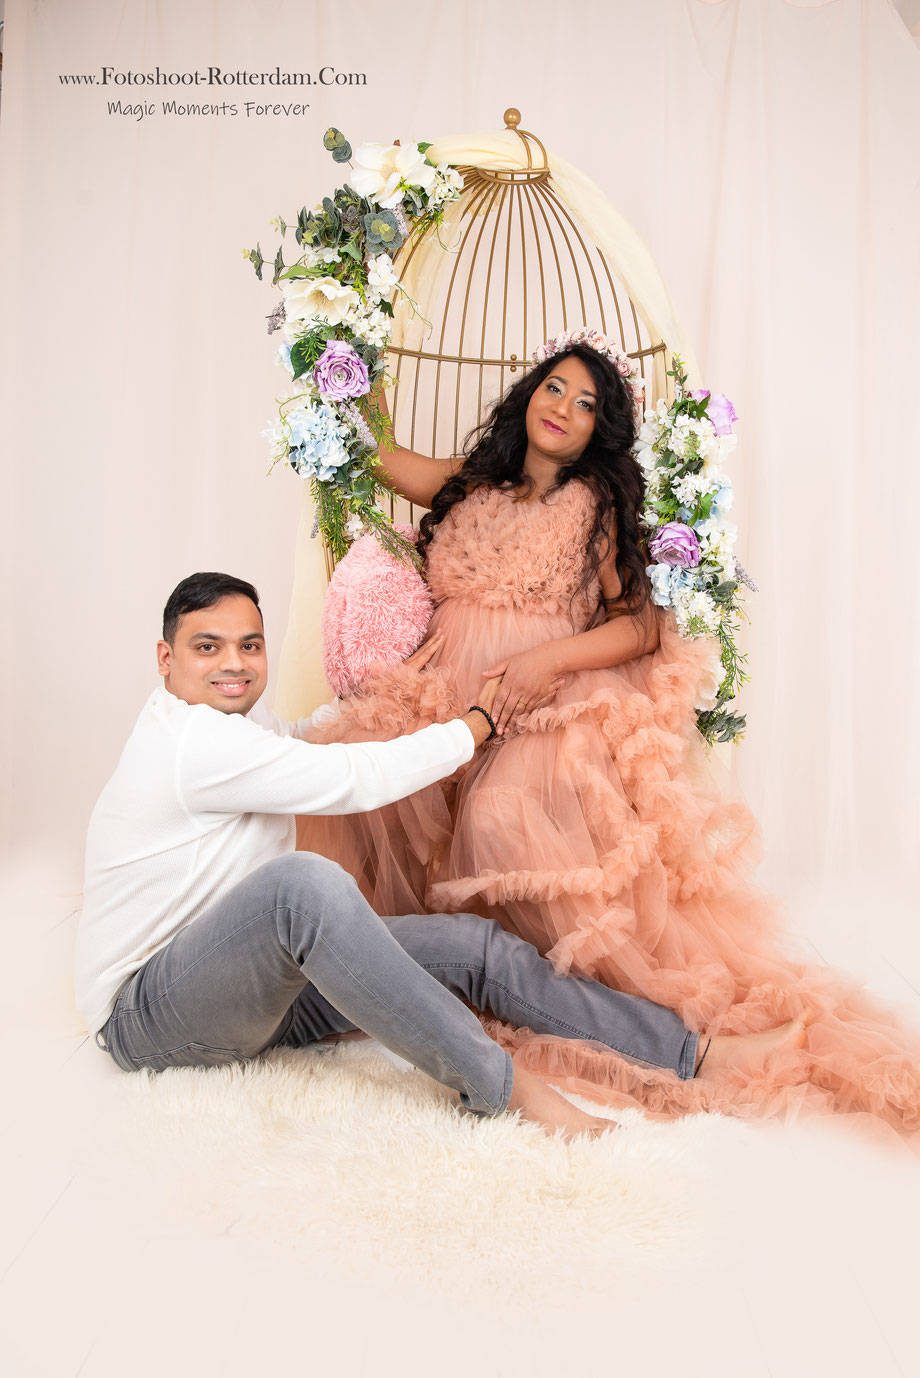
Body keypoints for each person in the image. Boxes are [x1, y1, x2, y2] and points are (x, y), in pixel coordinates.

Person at [297, 335, 920, 1139]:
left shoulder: (598, 506)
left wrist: (544, 658)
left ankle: (591, 1009)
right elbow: (376, 453)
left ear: (601, 428)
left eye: (587, 403)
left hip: (541, 695)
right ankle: (421, 979)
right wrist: (347, 340)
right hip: (446, 689)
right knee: (355, 785)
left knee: (502, 819)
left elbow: (639, 626)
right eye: (555, 389)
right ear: (529, 397)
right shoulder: (469, 485)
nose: (564, 409)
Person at [74, 571, 809, 1142]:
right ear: (166, 658)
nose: (234, 664)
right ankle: (502, 1087)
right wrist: (475, 725)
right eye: (208, 647)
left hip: (252, 989)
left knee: (471, 946)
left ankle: (692, 1056)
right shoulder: (193, 744)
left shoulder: (227, 723)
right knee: (303, 887)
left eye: (249, 645)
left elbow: (299, 745)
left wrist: (403, 697)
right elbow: (349, 781)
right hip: (152, 1018)